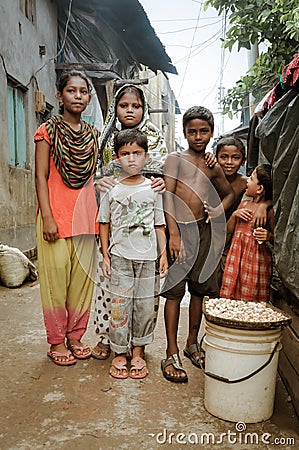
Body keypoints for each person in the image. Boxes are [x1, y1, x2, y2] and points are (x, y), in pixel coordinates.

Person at [92, 84, 216, 360]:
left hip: (148, 222)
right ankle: (106, 337)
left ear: (144, 109)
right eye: (124, 106)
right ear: (115, 108)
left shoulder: (156, 139)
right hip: (116, 222)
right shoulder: (105, 138)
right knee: (110, 286)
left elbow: (167, 177)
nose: (130, 110)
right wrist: (102, 182)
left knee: (145, 293)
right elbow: (99, 175)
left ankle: (138, 344)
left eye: (136, 106)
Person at [160, 106, 235, 383]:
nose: (198, 136)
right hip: (179, 231)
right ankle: (170, 350)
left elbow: (228, 194)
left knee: (200, 290)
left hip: (203, 234)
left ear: (212, 133)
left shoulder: (212, 164)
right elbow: (167, 196)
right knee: (174, 292)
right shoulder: (175, 159)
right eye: (192, 131)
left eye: (204, 131)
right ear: (185, 132)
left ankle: (192, 342)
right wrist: (174, 235)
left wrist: (217, 211)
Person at [34, 70, 100, 366]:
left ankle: (75, 336)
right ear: (59, 96)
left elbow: (99, 178)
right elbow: (40, 175)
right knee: (55, 283)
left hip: (85, 218)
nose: (78, 96)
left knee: (82, 282)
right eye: (71, 91)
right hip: (55, 218)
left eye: (83, 91)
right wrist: (47, 217)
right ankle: (57, 341)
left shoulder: (93, 136)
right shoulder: (47, 131)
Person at [97, 128, 168, 379]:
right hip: (120, 257)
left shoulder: (153, 188)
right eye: (125, 154)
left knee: (144, 306)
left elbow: (159, 223)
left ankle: (138, 351)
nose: (131, 159)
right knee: (120, 305)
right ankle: (119, 352)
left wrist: (164, 255)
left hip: (148, 258)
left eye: (137, 153)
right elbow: (103, 223)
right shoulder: (111, 189)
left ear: (146, 157)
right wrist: (106, 255)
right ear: (116, 158)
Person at [220, 164, 274, 302]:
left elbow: (277, 239)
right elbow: (227, 230)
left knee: (251, 299)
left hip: (255, 263)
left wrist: (268, 236)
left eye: (251, 179)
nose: (247, 181)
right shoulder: (244, 204)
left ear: (260, 189)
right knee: (231, 298)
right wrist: (234, 215)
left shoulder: (269, 212)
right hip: (236, 259)